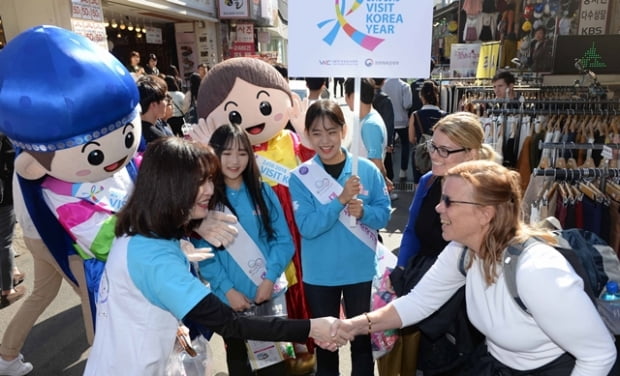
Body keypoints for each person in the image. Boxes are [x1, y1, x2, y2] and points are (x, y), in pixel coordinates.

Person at [83, 137, 350, 375]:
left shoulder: (140, 232)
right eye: (200, 182)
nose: (210, 189)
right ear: (170, 186)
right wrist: (311, 328)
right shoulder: (155, 258)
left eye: (210, 179)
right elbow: (230, 324)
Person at [344, 160, 617, 375]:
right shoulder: (462, 250)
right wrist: (350, 326)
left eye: (449, 201)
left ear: (485, 214)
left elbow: (598, 355)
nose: (438, 208)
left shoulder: (537, 271)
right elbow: (418, 303)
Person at [386, 112, 495, 376]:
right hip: (425, 284)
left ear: (470, 154)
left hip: (467, 302)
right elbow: (411, 230)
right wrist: (400, 270)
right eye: (433, 146)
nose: (435, 155)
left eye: (445, 150)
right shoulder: (427, 182)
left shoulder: (488, 192)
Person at [289, 99, 391, 376]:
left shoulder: (366, 171)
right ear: (307, 135)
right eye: (317, 133)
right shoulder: (300, 177)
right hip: (320, 275)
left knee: (361, 345)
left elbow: (384, 215)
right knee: (326, 345)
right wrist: (341, 200)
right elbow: (307, 227)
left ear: (344, 131)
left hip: (360, 271)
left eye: (332, 131)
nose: (325, 140)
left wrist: (365, 212)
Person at [198, 124, 295, 375]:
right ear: (215, 154)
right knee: (240, 366)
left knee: (275, 367)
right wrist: (227, 290)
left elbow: (284, 241)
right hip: (230, 302)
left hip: (268, 295)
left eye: (241, 153)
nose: (234, 160)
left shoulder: (262, 191)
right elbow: (203, 253)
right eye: (227, 153)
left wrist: (269, 279)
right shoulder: (207, 199)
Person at [344, 78, 394, 195]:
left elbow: (376, 162)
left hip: (364, 190)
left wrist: (384, 180)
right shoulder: (367, 119)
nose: (345, 100)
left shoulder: (370, 125)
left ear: (353, 96)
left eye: (346, 95)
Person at [0, 135, 25, 309]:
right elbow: (14, 160)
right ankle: (8, 291)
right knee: (4, 243)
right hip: (4, 199)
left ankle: (12, 272)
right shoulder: (5, 136)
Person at [409, 80, 447, 183]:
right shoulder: (445, 116)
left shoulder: (415, 115)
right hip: (440, 154)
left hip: (421, 155)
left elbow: (411, 139)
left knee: (419, 185)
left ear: (422, 97)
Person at [382, 78, 413, 181]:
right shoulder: (405, 86)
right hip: (402, 121)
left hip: (387, 120)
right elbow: (407, 104)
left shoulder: (384, 84)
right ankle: (403, 171)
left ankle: (387, 173)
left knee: (388, 147)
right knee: (405, 144)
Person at [371, 78, 396, 200]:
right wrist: (390, 141)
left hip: (368, 136)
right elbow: (389, 122)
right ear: (383, 81)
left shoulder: (366, 95)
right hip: (382, 137)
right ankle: (386, 194)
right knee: (385, 166)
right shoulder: (385, 99)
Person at [137, 75, 174, 151]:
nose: (167, 102)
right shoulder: (158, 140)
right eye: (164, 99)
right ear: (153, 105)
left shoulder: (134, 131)